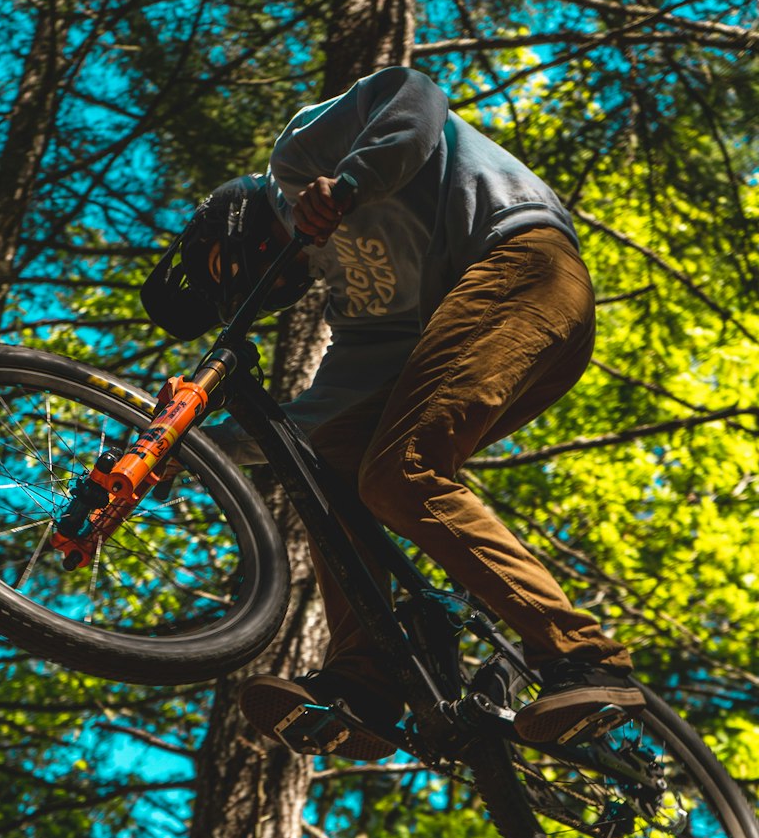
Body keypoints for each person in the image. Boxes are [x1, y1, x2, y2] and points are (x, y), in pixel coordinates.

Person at [141, 66, 643, 758]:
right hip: (512, 327)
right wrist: (202, 449)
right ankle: (365, 684)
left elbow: (415, 95)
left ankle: (583, 655)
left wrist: (349, 180)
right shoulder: (357, 300)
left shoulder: (298, 158)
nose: (264, 285)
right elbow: (320, 416)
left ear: (233, 220)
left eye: (233, 267)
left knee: (399, 474)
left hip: (523, 263)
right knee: (331, 468)